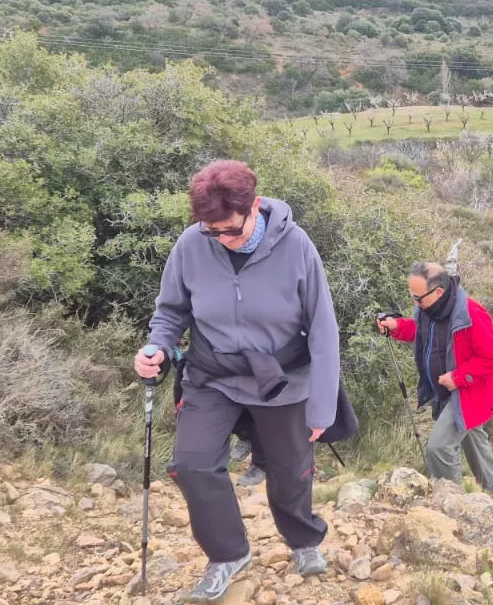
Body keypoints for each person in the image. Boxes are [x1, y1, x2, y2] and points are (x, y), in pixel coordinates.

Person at [135, 160, 340, 601]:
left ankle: (304, 540)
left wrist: (323, 406)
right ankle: (228, 553)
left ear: (256, 206)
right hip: (213, 375)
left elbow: (323, 328)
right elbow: (171, 311)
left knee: (289, 470)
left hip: (284, 378)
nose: (222, 239)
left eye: (230, 229)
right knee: (191, 465)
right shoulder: (192, 244)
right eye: (212, 231)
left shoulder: (296, 246)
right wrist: (158, 347)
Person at [377, 262, 493, 493]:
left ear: (438, 291)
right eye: (412, 296)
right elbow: (421, 332)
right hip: (445, 390)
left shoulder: (471, 314)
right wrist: (397, 326)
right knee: (474, 439)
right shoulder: (429, 309)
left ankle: (451, 502)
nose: (415, 303)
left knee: (439, 448)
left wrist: (458, 377)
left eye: (419, 298)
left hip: (471, 393)